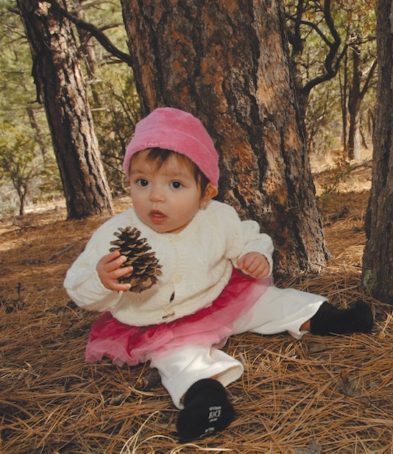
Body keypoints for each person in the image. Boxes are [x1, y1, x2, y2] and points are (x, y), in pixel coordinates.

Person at [64, 107, 373, 442]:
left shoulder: (217, 218)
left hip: (221, 299)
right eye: (142, 182)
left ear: (205, 193)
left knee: (272, 301)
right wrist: (100, 280)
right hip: (161, 324)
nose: (155, 195)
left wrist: (255, 255)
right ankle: (207, 398)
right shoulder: (115, 233)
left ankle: (328, 318)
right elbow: (77, 286)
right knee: (178, 360)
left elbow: (249, 237)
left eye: (176, 184)